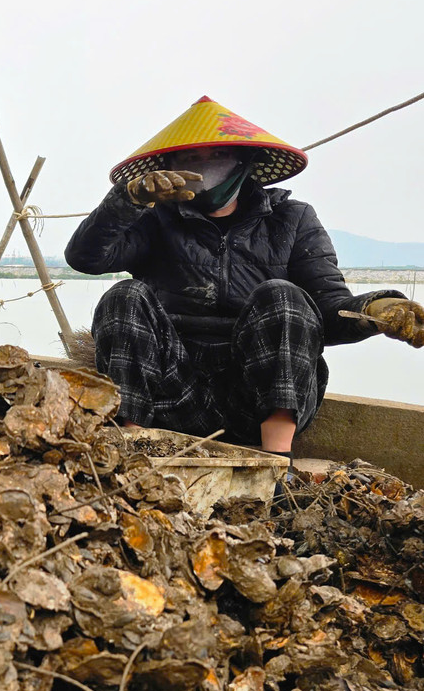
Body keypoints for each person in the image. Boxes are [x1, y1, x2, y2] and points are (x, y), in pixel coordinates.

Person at [66, 96, 424, 454]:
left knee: (282, 294)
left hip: (256, 398)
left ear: (243, 162)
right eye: (190, 159)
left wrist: (376, 309)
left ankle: (277, 461)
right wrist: (126, 201)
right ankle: (132, 444)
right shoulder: (155, 219)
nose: (203, 168)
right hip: (174, 392)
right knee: (124, 296)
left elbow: (329, 310)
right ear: (170, 167)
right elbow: (86, 258)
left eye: (216, 156)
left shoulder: (293, 219)